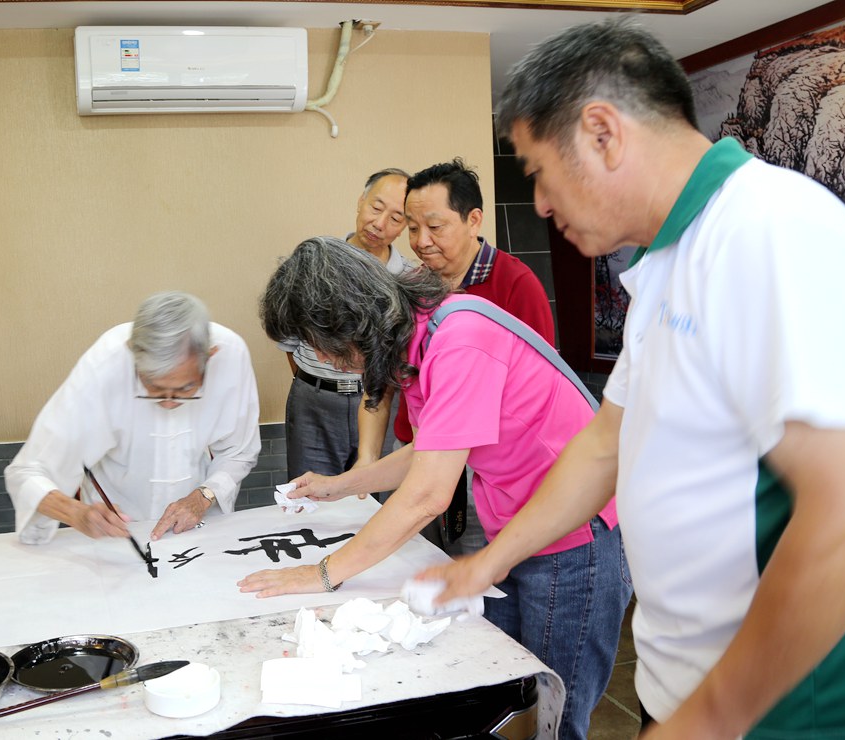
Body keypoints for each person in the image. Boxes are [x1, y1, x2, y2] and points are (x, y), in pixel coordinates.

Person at [421, 18, 845, 740]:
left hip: (777, 712)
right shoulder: (664, 264)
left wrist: (711, 718)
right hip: (686, 688)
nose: (539, 204)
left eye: (538, 171)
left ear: (602, 132)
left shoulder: (771, 229)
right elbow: (607, 443)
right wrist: (489, 562)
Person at [241, 237, 630, 740]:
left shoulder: (458, 338)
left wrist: (324, 573)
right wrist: (342, 485)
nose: (320, 358)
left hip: (575, 537)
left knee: (554, 713)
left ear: (347, 321)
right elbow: (429, 451)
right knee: (508, 696)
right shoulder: (421, 340)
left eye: (316, 343)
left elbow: (429, 493)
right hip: (520, 530)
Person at [358, 159, 555, 553]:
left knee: (476, 566)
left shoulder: (516, 284)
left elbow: (543, 389)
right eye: (413, 228)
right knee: (411, 560)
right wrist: (367, 458)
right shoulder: (410, 287)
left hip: (487, 465)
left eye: (435, 227)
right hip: (414, 451)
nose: (421, 241)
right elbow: (385, 380)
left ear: (473, 220)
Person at [5, 291, 260, 544]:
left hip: (195, 526)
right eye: (154, 388)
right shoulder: (104, 365)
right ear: (133, 357)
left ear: (210, 356)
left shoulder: (231, 355)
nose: (169, 402)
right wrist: (76, 513)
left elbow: (238, 452)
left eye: (186, 389)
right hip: (116, 531)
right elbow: (26, 473)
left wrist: (204, 496)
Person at [278, 168, 411, 480]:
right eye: (376, 207)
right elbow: (288, 338)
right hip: (314, 402)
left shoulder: (408, 279)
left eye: (396, 218)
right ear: (361, 201)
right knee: (308, 495)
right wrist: (316, 378)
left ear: (405, 226)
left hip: (380, 402)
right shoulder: (317, 265)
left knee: (372, 493)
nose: (380, 223)